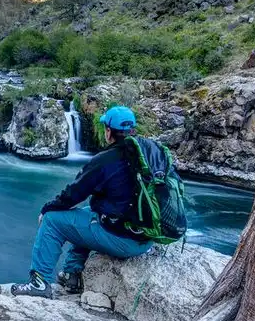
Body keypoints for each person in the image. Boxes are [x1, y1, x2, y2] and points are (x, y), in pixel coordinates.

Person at [11, 106, 162, 298]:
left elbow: (74, 193)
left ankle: (39, 283)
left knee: (52, 221)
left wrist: (47, 208)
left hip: (122, 240)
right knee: (87, 213)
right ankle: (71, 274)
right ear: (132, 129)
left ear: (108, 131)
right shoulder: (152, 151)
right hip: (147, 236)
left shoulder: (106, 160)